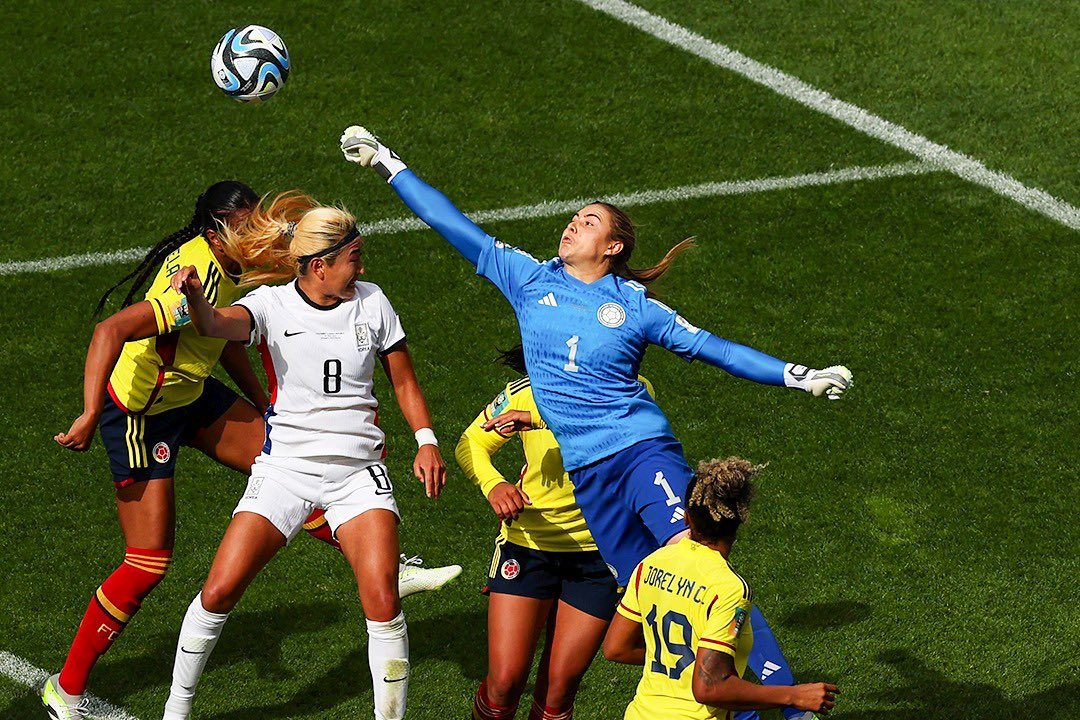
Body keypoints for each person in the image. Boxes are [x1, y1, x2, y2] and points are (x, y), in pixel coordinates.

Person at [338, 125, 852, 590]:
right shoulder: (529, 279)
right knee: (649, 597)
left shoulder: (637, 308)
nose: (572, 225)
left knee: (696, 563)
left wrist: (797, 375)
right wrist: (386, 160)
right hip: (589, 473)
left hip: (640, 451)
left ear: (612, 247)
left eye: (588, 222)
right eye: (574, 218)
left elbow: (715, 349)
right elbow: (449, 222)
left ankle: (772, 691)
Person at [43, 183, 456, 720]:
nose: (260, 232)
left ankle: (375, 561)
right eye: (246, 225)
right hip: (142, 412)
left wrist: (268, 404)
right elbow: (124, 329)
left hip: (193, 390)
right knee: (149, 562)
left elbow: (228, 342)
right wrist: (86, 410)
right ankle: (68, 688)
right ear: (216, 234)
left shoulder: (265, 274)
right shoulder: (205, 280)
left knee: (298, 456)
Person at [161, 196, 445, 720]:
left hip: (358, 474)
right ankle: (176, 712)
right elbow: (217, 325)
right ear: (321, 266)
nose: (362, 267)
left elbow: (403, 380)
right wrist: (197, 302)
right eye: (354, 258)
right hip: (285, 471)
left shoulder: (374, 301)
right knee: (219, 590)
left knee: (383, 601)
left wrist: (426, 439)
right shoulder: (271, 305)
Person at [460, 347, 820, 720]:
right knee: (504, 682)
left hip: (594, 559)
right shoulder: (523, 393)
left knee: (558, 691)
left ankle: (742, 689)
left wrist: (538, 419)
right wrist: (493, 484)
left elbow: (607, 426)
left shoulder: (632, 389)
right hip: (529, 546)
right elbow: (470, 443)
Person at [603, 458, 838, 719]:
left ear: (686, 516)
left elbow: (617, 648)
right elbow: (709, 686)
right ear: (739, 520)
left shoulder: (651, 564)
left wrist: (677, 662)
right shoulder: (728, 588)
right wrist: (793, 695)